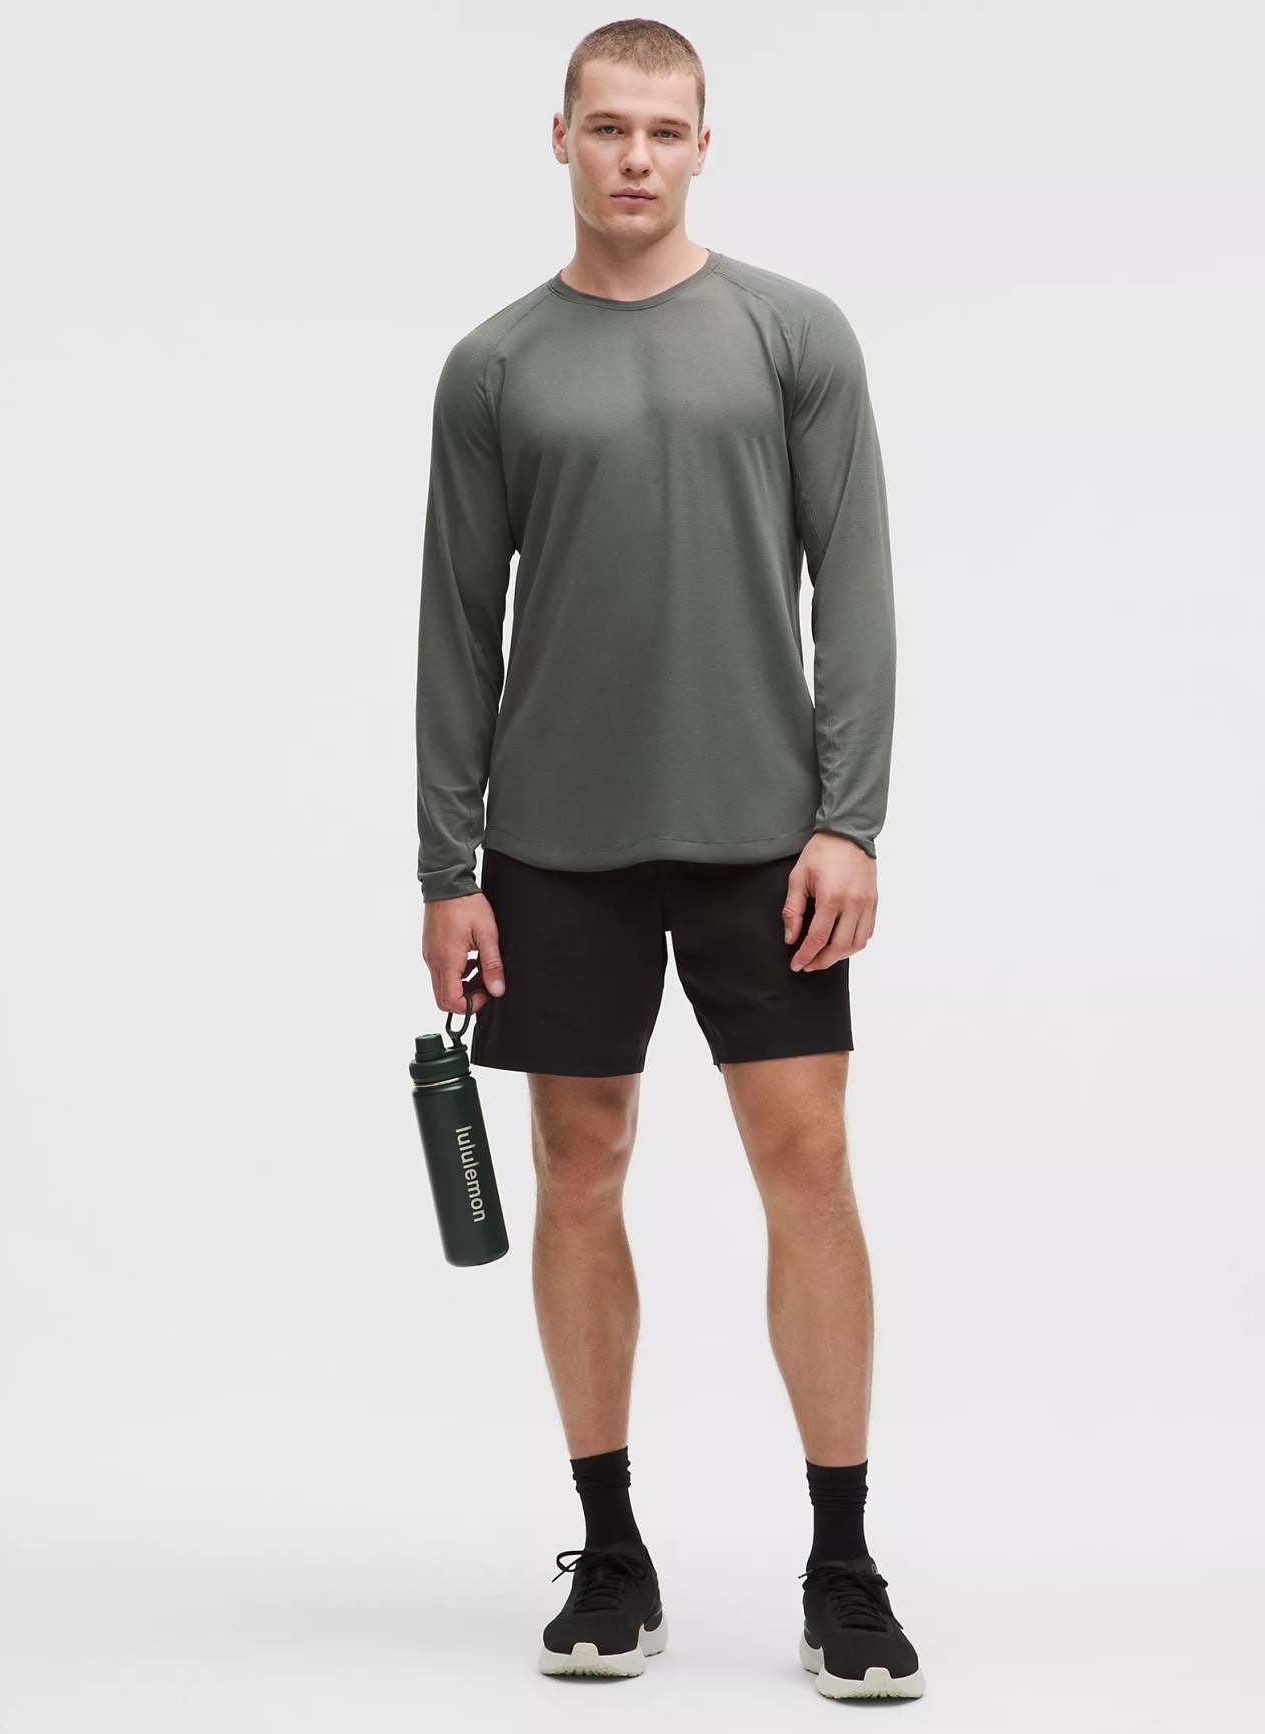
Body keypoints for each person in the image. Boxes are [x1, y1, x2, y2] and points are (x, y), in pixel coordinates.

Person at [415, 18, 922, 1702]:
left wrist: (849, 816)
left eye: (663, 129)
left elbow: (853, 584)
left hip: (762, 840)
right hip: (551, 846)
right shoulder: (494, 367)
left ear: (703, 145)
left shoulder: (793, 334)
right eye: (607, 126)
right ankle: (609, 1547)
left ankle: (842, 1561)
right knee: (579, 1164)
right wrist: (446, 862)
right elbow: (454, 627)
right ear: (558, 136)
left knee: (807, 1163)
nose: (633, 155)